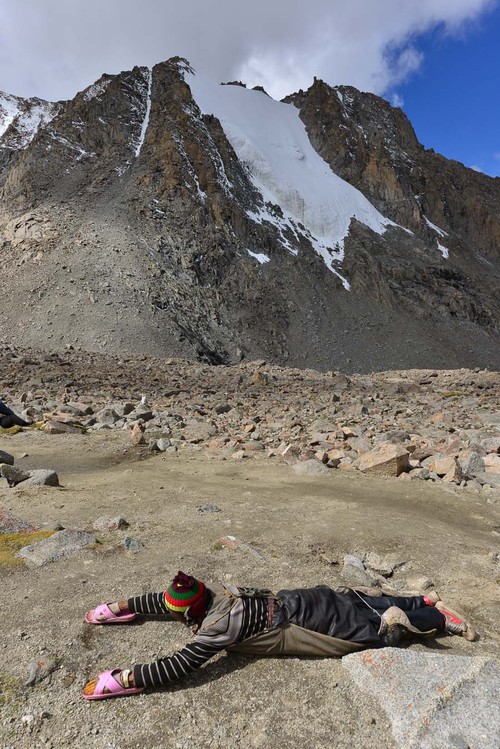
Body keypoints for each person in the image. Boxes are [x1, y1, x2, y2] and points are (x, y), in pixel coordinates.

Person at [82, 571, 477, 700]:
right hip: (304, 599)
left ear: (191, 613)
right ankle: (418, 597)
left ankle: (436, 618)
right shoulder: (215, 595)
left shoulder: (216, 631)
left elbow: (178, 665)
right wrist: (119, 607)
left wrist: (124, 680)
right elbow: (165, 600)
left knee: (377, 631)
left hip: (312, 627)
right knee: (361, 600)